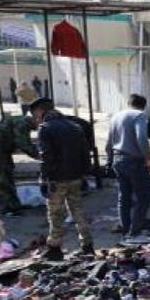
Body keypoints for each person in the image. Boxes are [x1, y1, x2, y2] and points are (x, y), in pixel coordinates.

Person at [32, 98, 93, 260]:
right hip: (75, 177)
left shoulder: (45, 129)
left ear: (40, 111)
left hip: (56, 179)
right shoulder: (75, 127)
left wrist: (44, 178)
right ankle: (87, 246)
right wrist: (84, 174)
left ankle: (54, 248)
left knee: (55, 214)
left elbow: (46, 156)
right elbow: (85, 153)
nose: (35, 118)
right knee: (78, 211)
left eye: (35, 114)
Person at [107, 94, 150, 244]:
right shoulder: (139, 115)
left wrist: (110, 160)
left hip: (118, 159)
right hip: (134, 160)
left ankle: (126, 229)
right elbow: (142, 138)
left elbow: (109, 142)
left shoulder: (116, 116)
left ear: (129, 103)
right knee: (143, 197)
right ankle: (135, 233)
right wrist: (148, 158)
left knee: (124, 196)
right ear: (144, 106)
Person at [0, 109, 39, 216]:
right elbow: (24, 144)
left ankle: (14, 205)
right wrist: (41, 156)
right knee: (1, 178)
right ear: (36, 120)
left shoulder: (23, 122)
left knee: (8, 175)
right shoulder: (22, 124)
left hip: (1, 149)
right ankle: (8, 209)